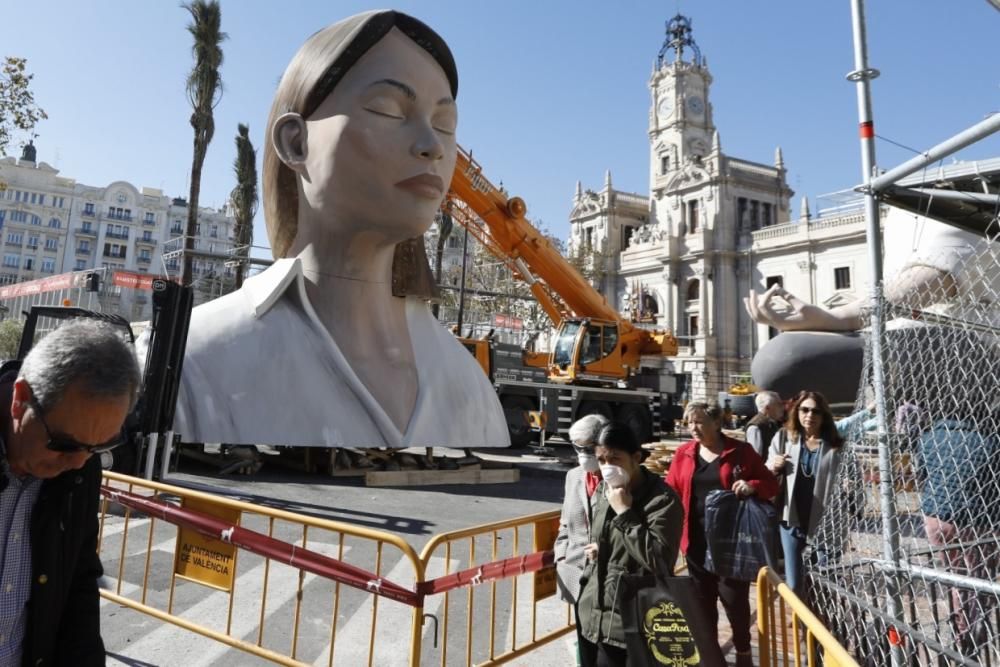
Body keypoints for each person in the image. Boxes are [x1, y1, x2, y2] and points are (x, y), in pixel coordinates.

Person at [167, 10, 509, 449]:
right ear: (296, 142)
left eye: (445, 126)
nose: (432, 147)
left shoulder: (470, 391)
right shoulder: (195, 365)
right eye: (388, 109)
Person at [0, 320, 140, 666]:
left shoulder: (80, 467)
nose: (78, 464)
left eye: (98, 446)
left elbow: (77, 578)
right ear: (20, 401)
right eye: (64, 444)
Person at [665, 402, 778, 667]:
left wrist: (751, 486)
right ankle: (711, 658)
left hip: (729, 543)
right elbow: (670, 491)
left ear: (717, 423)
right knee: (702, 606)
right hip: (694, 541)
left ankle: (742, 651)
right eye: (689, 422)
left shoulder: (740, 452)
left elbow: (770, 484)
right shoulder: (683, 453)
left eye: (699, 421)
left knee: (735, 602)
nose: (693, 427)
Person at [576, 422, 683, 667]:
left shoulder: (662, 500)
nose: (607, 467)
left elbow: (660, 560)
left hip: (632, 620)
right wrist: (602, 549)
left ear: (636, 457)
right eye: (601, 460)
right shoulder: (604, 489)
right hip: (595, 612)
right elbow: (613, 540)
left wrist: (624, 512)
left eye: (615, 458)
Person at [766, 391, 866, 597]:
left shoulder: (838, 446)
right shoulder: (784, 438)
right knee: (794, 582)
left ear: (824, 416)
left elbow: (856, 479)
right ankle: (801, 622)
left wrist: (850, 488)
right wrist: (774, 466)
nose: (809, 415)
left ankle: (822, 622)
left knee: (824, 581)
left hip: (827, 523)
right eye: (805, 410)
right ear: (796, 412)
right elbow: (765, 470)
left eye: (816, 411)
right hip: (791, 520)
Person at [554, 414, 609, 657]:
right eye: (576, 447)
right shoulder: (573, 476)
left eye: (587, 447)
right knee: (585, 643)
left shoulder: (619, 477)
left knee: (607, 649)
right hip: (577, 575)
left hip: (610, 579)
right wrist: (561, 557)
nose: (582, 454)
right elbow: (565, 523)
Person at [744, 390, 784, 459]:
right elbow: (755, 458)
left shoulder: (772, 423)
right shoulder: (755, 427)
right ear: (767, 408)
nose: (782, 408)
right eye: (779, 404)